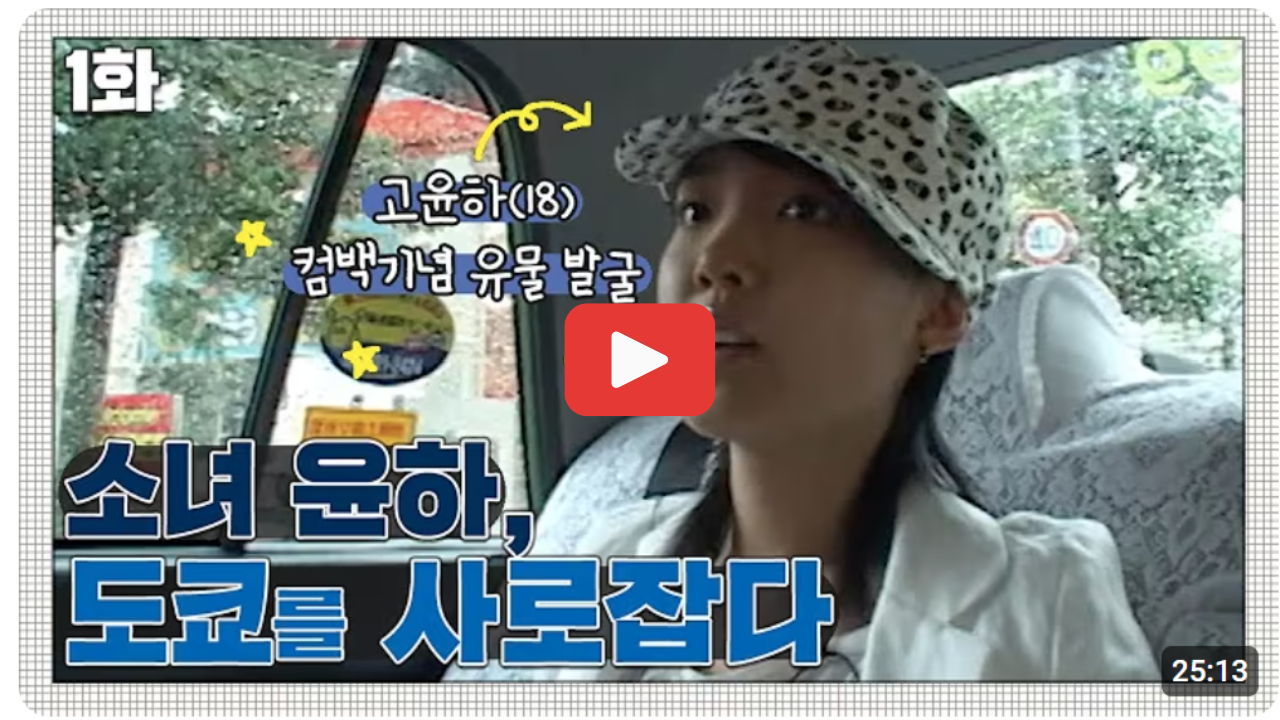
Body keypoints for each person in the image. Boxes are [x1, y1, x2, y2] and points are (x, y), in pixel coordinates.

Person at [476, 39, 1158, 683]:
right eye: (695, 211)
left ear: (938, 313)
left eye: (805, 211)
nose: (715, 258)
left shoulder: (1044, 600)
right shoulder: (613, 557)